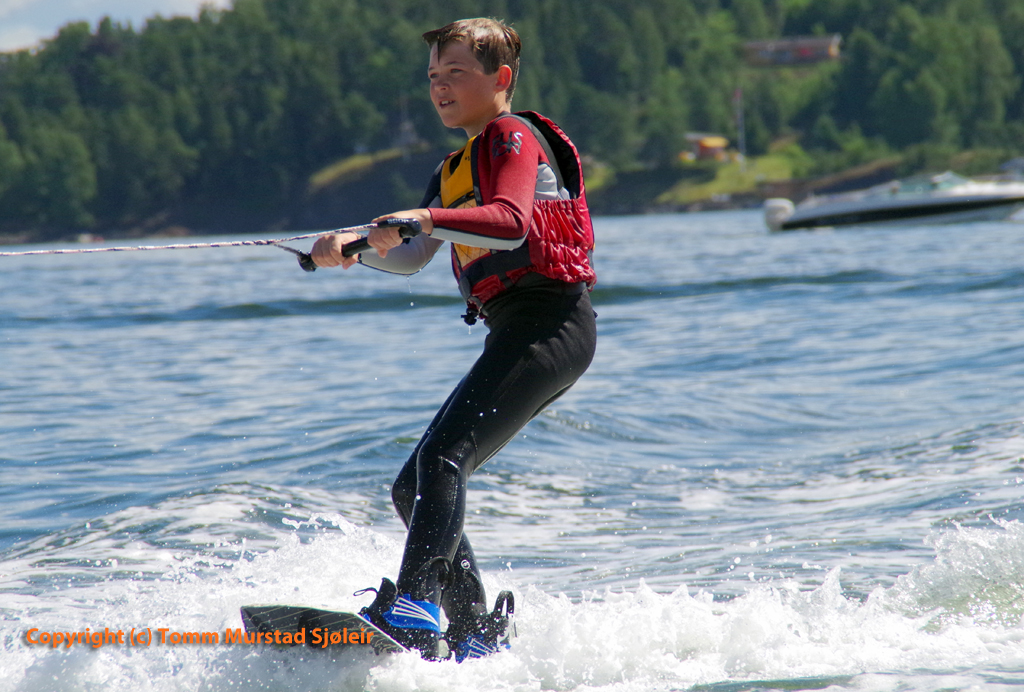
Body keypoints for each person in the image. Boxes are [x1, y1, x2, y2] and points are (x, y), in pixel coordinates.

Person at [310, 17, 597, 662]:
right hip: (516, 328)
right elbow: (413, 257)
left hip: (552, 323)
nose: (440, 87)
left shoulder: (511, 135)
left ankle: (415, 609)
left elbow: (511, 222)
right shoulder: (453, 169)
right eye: (434, 76)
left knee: (444, 459)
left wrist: (421, 217)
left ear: (501, 78)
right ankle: (472, 632)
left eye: (457, 73)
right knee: (411, 488)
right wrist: (351, 248)